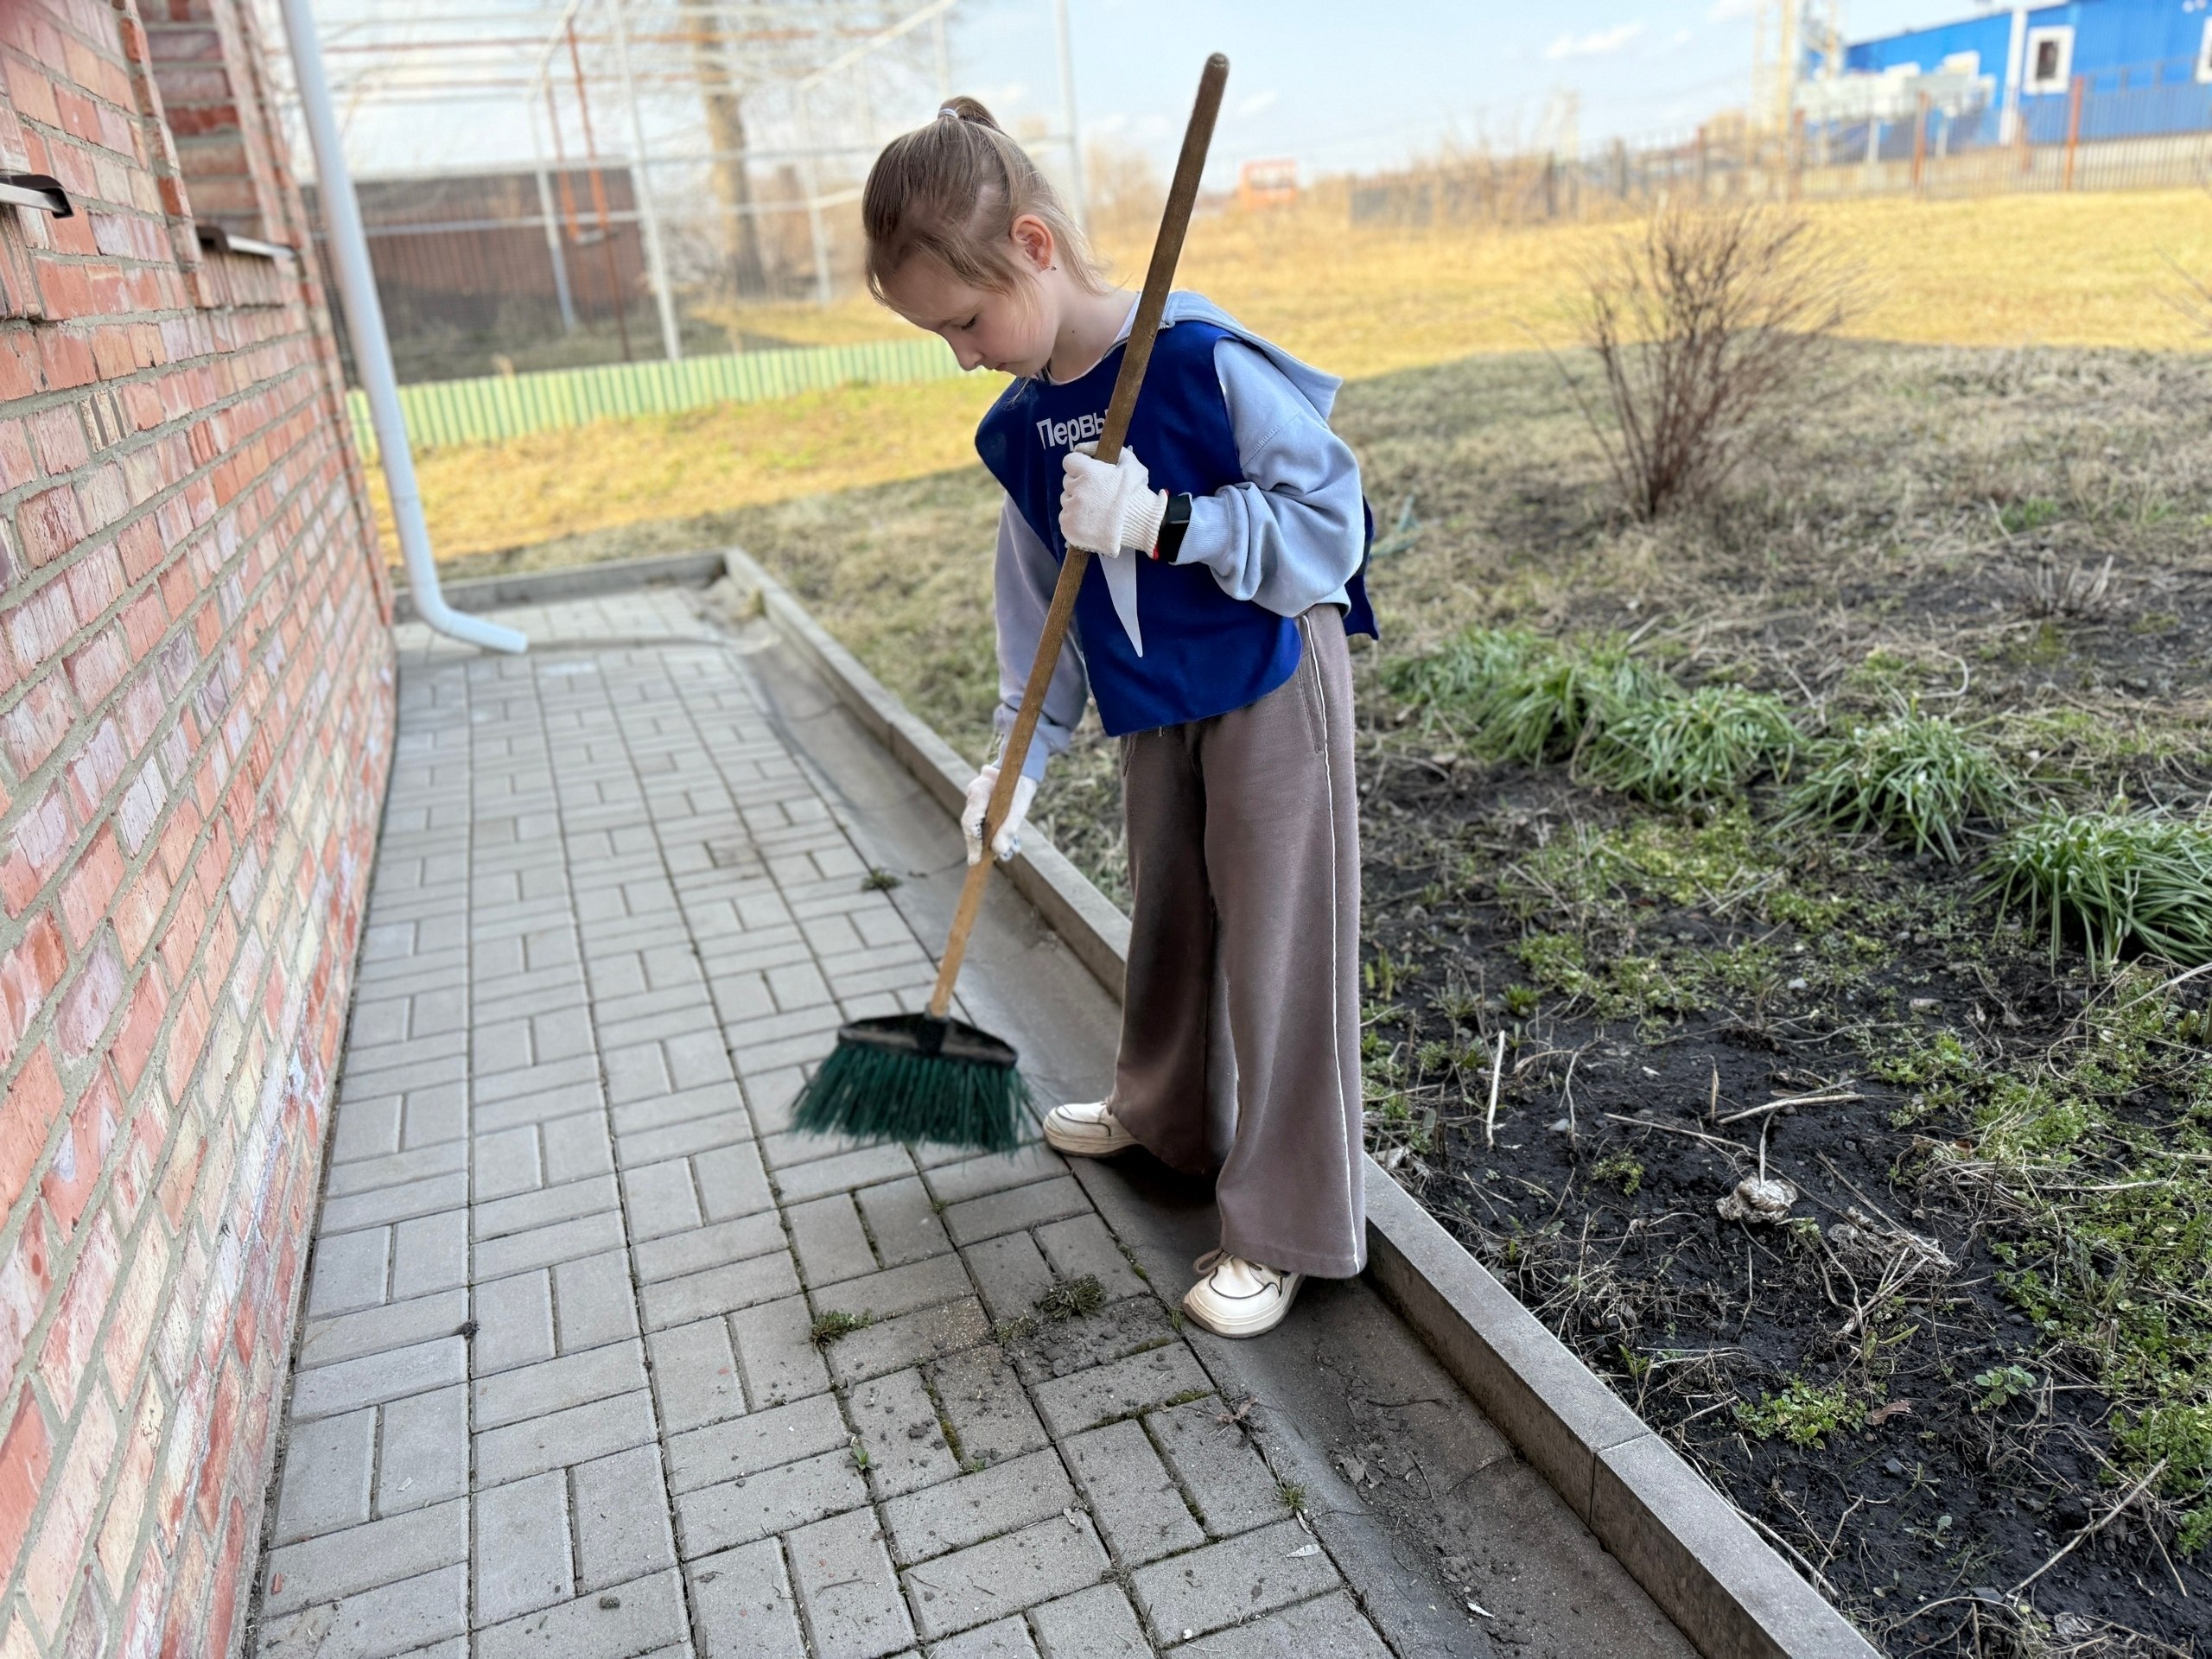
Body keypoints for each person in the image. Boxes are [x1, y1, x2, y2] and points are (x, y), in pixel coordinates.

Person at [861, 98, 1375, 1339]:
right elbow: (1040, 622)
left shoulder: (1198, 363)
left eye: (966, 319)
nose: (962, 354)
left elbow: (1330, 529)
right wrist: (1012, 767)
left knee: (1279, 955)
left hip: (1263, 682)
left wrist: (1168, 523)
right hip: (1157, 712)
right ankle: (1164, 1116)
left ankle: (1287, 1225)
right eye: (939, 334)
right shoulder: (1023, 429)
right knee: (1174, 920)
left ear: (1034, 247)